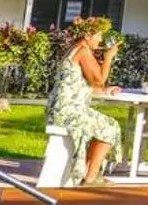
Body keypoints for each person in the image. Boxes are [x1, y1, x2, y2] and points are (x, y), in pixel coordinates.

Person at [47, 15, 123, 185]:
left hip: (59, 109)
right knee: (110, 126)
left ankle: (87, 171)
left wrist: (105, 90)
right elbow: (99, 79)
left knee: (104, 124)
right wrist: (109, 57)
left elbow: (88, 82)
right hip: (69, 112)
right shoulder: (83, 51)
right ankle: (91, 176)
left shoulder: (74, 48)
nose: (100, 40)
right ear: (88, 36)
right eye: (98, 35)